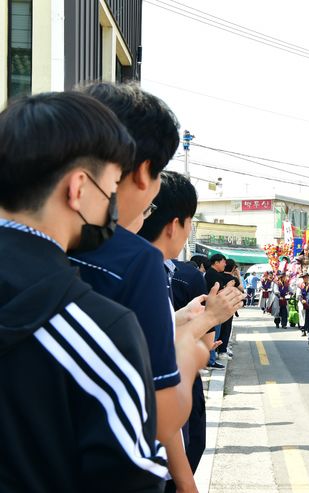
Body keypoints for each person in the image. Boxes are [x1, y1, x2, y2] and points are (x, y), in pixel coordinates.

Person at [70, 82, 237, 487]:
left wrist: (179, 321)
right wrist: (189, 348)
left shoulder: (53, 246)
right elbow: (161, 411)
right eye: (159, 170)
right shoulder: (131, 261)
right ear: (142, 171)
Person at [0, 91, 167, 490]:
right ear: (78, 188)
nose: (111, 202)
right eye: (110, 186)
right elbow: (133, 480)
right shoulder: (103, 330)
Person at [137, 171, 241, 491]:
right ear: (175, 224)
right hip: (151, 453)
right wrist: (208, 320)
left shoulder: (152, 269)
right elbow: (158, 366)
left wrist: (183, 317)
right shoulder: (142, 271)